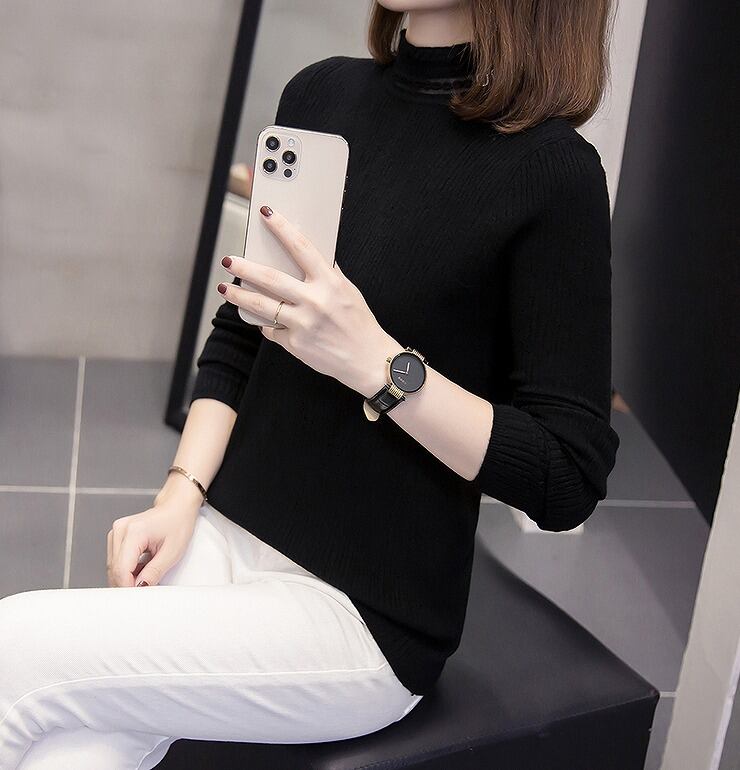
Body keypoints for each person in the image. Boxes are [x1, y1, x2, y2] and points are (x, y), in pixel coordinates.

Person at [0, 0, 620, 766]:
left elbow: (566, 474)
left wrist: (379, 366)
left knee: (15, 650)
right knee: (71, 750)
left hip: (361, 616)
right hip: (225, 535)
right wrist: (180, 496)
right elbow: (240, 332)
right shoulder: (321, 96)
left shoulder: (552, 174)